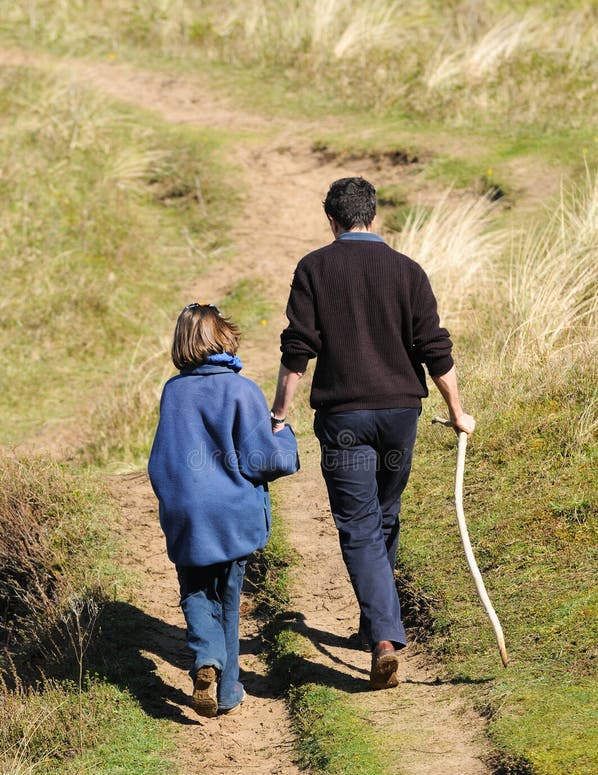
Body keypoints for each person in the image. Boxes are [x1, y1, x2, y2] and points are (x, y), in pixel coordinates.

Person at [270, 177, 475, 691]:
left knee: (360, 524)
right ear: (374, 217)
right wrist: (457, 410)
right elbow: (435, 348)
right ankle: (376, 622)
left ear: (331, 221)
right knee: (383, 514)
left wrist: (279, 413)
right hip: (400, 415)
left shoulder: (314, 268)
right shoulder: (408, 270)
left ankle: (383, 636)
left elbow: (299, 349)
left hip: (344, 420)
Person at [149, 303, 299, 717]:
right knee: (229, 598)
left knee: (196, 591)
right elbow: (261, 459)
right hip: (233, 514)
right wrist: (287, 440)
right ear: (224, 338)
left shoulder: (173, 391)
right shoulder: (242, 390)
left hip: (187, 514)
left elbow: (163, 457)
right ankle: (228, 689)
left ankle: (206, 662)